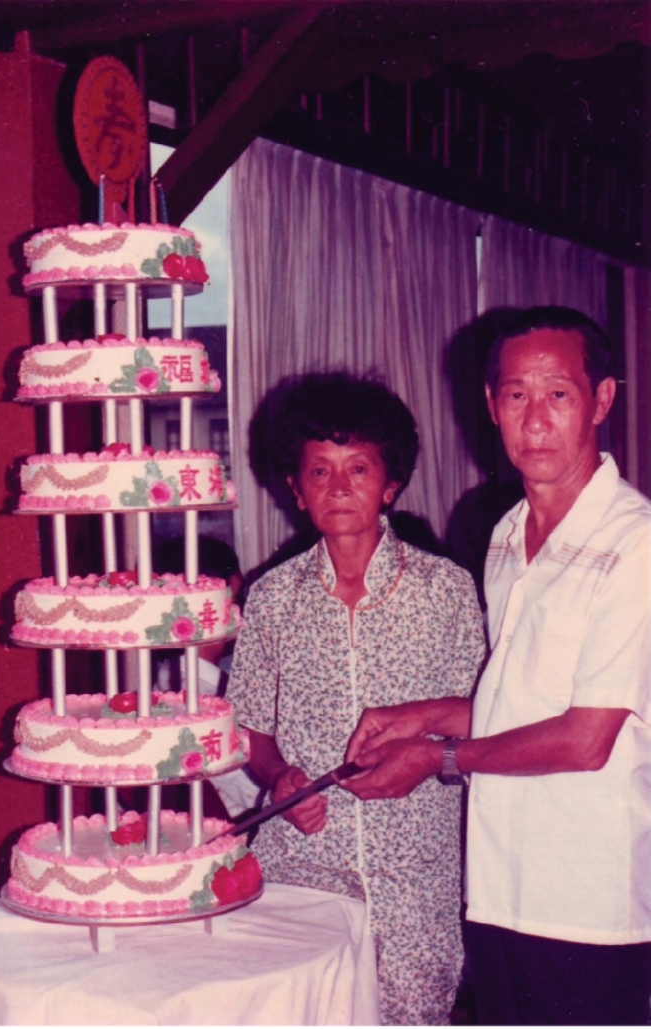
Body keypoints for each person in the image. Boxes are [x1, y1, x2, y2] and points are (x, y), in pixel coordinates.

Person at [344, 307, 651, 1025]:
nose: (535, 420)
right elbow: (521, 704)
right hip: (497, 887)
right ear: (491, 405)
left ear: (601, 400)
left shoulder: (635, 544)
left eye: (559, 394)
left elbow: (586, 738)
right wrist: (422, 716)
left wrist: (438, 756)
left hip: (589, 904)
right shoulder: (507, 534)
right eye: (517, 395)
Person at [227, 372, 485, 1025]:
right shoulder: (272, 597)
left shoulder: (447, 590)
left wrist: (427, 749)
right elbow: (249, 729)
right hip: (301, 872)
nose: (339, 486)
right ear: (296, 488)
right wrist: (278, 778)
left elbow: (486, 717)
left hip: (415, 880)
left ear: (390, 483)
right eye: (320, 471)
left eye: (359, 468)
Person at [153, 534, 262, 818]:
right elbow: (261, 794)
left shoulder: (169, 684)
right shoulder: (199, 704)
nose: (245, 611)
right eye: (239, 597)